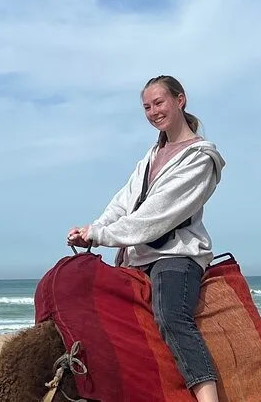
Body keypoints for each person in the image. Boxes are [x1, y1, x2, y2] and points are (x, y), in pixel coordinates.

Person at [67, 75, 225, 402]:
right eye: (147, 107)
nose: (153, 112)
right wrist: (91, 230)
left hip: (176, 257)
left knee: (171, 317)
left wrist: (99, 235)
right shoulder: (151, 157)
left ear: (180, 100)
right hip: (136, 258)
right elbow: (123, 203)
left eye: (159, 103)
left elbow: (155, 217)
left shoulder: (200, 158)